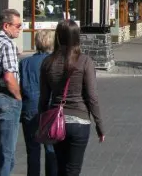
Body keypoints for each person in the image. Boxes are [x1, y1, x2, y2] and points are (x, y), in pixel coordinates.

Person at [40, 20, 105, 176]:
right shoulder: (84, 61)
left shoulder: (48, 62)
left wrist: (42, 123)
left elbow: (43, 98)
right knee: (73, 169)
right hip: (79, 121)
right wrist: (99, 125)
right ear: (77, 37)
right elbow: (92, 96)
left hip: (56, 120)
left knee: (61, 167)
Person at [19, 30, 57, 176]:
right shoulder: (54, 61)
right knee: (51, 149)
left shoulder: (25, 63)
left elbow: (21, 85)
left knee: (32, 150)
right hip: (49, 108)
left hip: (30, 107)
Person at [0, 9, 23, 176]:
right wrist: (18, 97)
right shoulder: (7, 44)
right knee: (7, 153)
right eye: (18, 25)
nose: (20, 29)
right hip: (6, 98)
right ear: (6, 25)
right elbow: (9, 77)